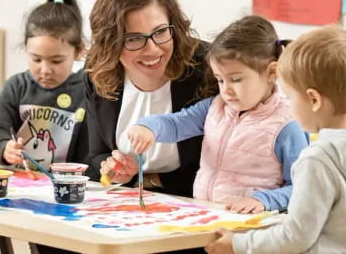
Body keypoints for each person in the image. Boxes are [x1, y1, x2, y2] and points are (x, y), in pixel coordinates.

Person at [128, 15, 309, 214]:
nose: (226, 90)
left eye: (236, 80)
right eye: (220, 80)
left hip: (252, 228)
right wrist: (148, 127)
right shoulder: (215, 107)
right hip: (208, 216)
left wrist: (264, 201)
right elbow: (177, 124)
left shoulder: (286, 125)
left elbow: (303, 187)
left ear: (272, 72)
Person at [205, 26, 346, 254]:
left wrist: (237, 244)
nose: (287, 105)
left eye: (289, 97)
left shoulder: (319, 158)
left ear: (313, 99)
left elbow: (296, 236)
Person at [85, 0, 217, 198]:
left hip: (196, 200)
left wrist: (147, 180)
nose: (153, 49)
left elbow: (226, 164)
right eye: (134, 39)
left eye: (160, 32)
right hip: (128, 201)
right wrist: (112, 169)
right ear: (111, 44)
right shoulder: (98, 74)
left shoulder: (208, 67)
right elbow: (96, 154)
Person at [0, 0, 88, 254]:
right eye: (36, 59)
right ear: (26, 50)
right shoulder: (17, 86)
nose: (45, 69)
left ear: (79, 51)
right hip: (26, 187)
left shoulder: (87, 88)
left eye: (56, 60)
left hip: (69, 192)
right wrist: (4, 148)